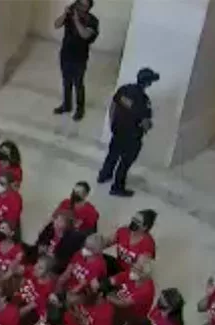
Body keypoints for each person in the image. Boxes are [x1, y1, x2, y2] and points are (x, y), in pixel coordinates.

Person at [99, 67, 158, 197]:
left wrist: (112, 123)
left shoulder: (124, 89)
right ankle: (117, 187)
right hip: (132, 136)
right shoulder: (144, 100)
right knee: (125, 162)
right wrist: (148, 126)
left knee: (112, 154)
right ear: (148, 83)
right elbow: (146, 123)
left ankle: (104, 175)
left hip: (117, 129)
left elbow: (113, 106)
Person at [53, 0, 99, 121]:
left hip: (79, 58)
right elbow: (56, 25)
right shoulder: (70, 15)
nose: (81, 7)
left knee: (78, 84)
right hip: (66, 54)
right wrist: (64, 14)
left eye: (84, 5)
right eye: (79, 4)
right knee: (66, 82)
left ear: (89, 7)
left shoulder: (93, 21)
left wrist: (76, 20)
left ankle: (80, 109)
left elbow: (85, 34)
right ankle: (66, 105)